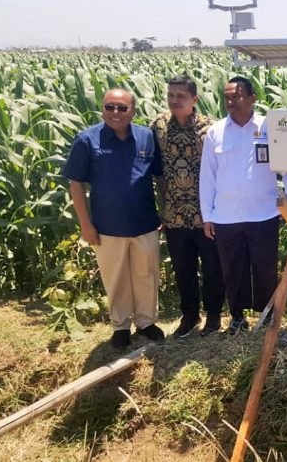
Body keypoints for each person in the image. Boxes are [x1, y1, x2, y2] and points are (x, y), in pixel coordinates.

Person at [63, 88, 165, 349]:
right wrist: (85, 225)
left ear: (133, 110)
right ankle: (121, 325)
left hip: (144, 223)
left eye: (122, 108)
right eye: (110, 107)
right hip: (107, 226)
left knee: (146, 275)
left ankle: (146, 322)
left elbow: (160, 177)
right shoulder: (87, 140)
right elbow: (76, 184)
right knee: (115, 277)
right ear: (102, 109)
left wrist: (164, 212)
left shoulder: (146, 137)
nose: (115, 113)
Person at [199, 77, 287, 334]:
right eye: (228, 97)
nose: (231, 102)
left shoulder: (270, 127)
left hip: (263, 212)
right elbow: (207, 176)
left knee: (265, 268)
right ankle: (237, 317)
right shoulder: (216, 132)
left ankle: (267, 315)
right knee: (233, 269)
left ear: (253, 98)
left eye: (238, 96)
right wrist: (207, 214)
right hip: (226, 215)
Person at [151, 75, 228, 337]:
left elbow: (221, 172)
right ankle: (190, 315)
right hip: (174, 215)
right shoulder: (159, 126)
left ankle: (215, 316)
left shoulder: (211, 129)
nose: (174, 101)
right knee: (183, 268)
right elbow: (157, 172)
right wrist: (162, 207)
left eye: (180, 96)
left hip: (205, 215)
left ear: (194, 99)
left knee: (212, 267)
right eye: (171, 95)